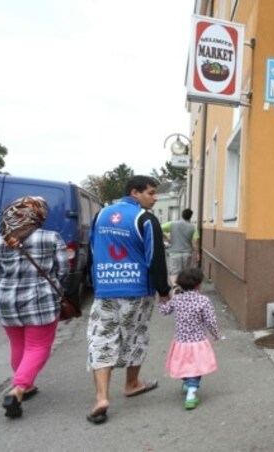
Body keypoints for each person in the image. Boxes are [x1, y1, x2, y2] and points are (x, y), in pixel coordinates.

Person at [86, 175, 171, 424]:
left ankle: (101, 397)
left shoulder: (101, 215)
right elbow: (155, 258)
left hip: (105, 290)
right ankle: (132, 384)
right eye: (151, 193)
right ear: (135, 192)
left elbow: (92, 251)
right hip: (137, 291)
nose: (154, 198)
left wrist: (96, 283)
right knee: (135, 335)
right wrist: (164, 291)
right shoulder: (145, 219)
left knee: (102, 339)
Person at [0, 196, 68, 419]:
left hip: (6, 300)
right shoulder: (51, 238)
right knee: (38, 346)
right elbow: (63, 271)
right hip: (40, 299)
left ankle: (27, 386)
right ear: (38, 214)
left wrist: (6, 285)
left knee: (18, 345)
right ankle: (18, 389)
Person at [159, 267, 219, 410]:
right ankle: (191, 392)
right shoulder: (203, 300)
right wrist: (215, 333)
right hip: (198, 341)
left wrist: (162, 299)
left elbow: (164, 311)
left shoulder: (177, 299)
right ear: (199, 284)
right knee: (196, 367)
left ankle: (187, 382)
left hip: (181, 342)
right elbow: (210, 320)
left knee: (183, 364)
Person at [161, 208, 200, 286]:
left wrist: (166, 238)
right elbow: (195, 243)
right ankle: (184, 291)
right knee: (186, 274)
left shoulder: (172, 224)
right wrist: (197, 254)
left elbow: (159, 228)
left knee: (174, 273)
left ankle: (176, 289)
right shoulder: (193, 227)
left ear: (182, 215)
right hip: (187, 254)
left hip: (174, 254)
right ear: (190, 217)